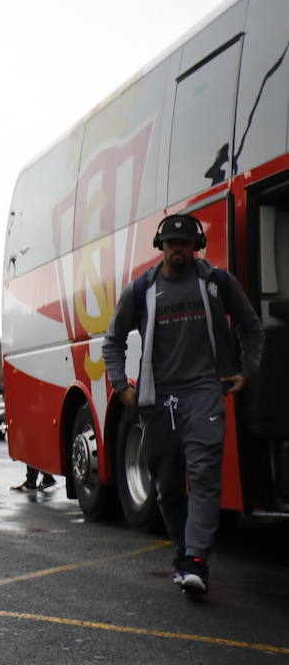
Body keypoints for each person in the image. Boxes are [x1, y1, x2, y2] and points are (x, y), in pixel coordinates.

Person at [101, 214, 262, 596]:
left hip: (204, 392)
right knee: (168, 488)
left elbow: (250, 325)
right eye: (172, 243)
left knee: (205, 474)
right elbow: (113, 340)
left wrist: (247, 370)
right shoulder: (141, 289)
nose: (179, 250)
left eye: (186, 244)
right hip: (158, 400)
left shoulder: (216, 283)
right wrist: (121, 385)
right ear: (161, 247)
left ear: (197, 246)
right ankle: (183, 548)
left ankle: (196, 559)